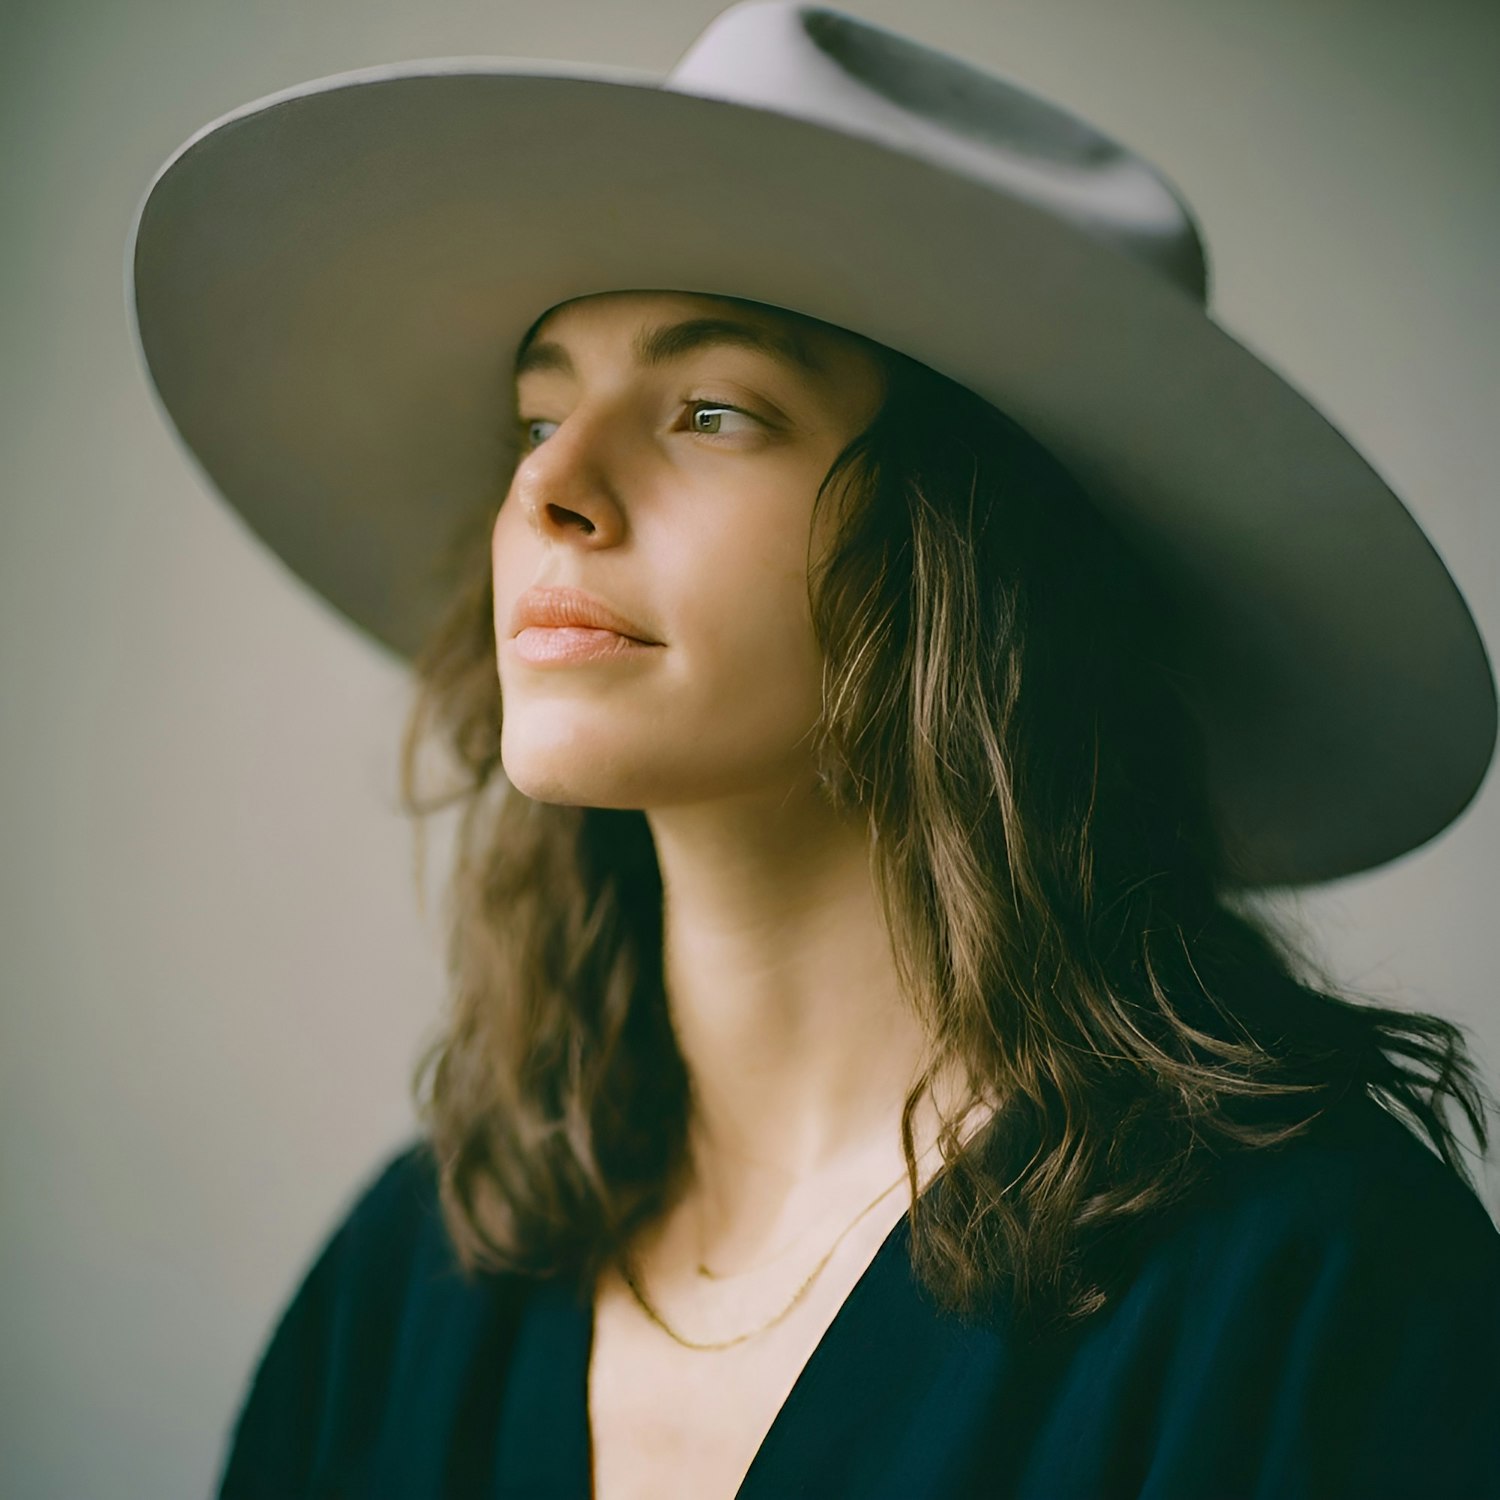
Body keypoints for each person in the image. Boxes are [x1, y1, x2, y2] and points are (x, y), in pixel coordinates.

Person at [127, 4, 1500, 1496]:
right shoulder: (412, 1287)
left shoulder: (1322, 1295)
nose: (553, 493)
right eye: (536, 416)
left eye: (713, 410)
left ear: (974, 561)